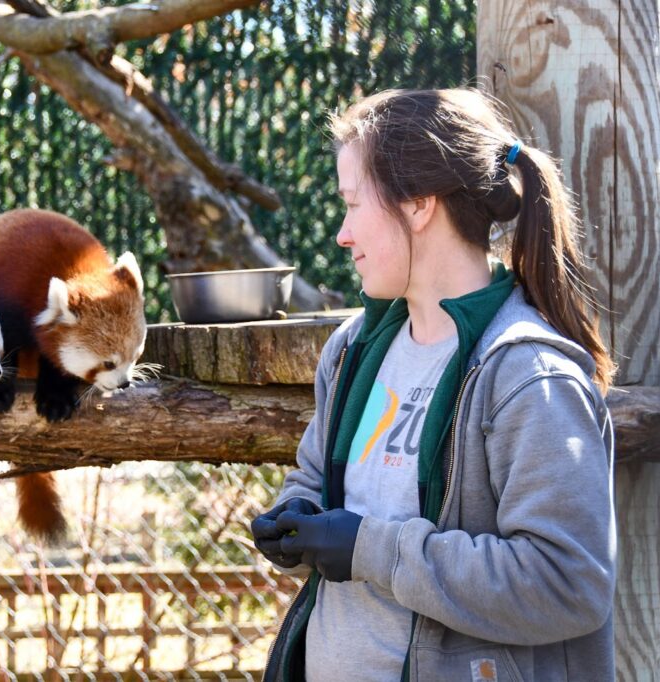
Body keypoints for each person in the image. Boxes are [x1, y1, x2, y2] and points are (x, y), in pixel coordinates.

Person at [252, 88, 616, 682]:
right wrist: (298, 512)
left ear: (419, 202)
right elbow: (315, 477)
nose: (343, 234)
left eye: (351, 204)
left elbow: (568, 583)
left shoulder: (529, 378)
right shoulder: (351, 351)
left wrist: (371, 549)